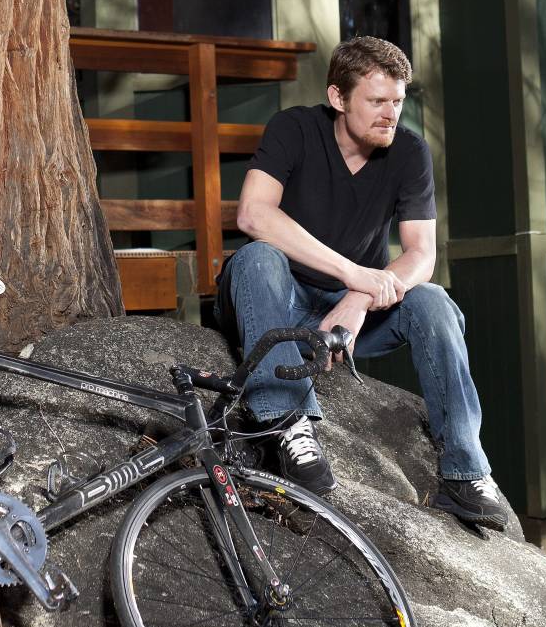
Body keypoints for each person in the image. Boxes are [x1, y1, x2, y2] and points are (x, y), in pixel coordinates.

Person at [214, 34, 505, 529]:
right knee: (257, 257)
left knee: (432, 301)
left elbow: (421, 254)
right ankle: (288, 426)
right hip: (273, 297)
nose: (390, 113)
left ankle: (465, 471)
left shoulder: (410, 152)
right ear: (338, 98)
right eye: (376, 101)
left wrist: (359, 298)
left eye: (397, 101)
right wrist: (355, 274)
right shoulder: (295, 129)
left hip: (349, 311)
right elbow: (253, 215)